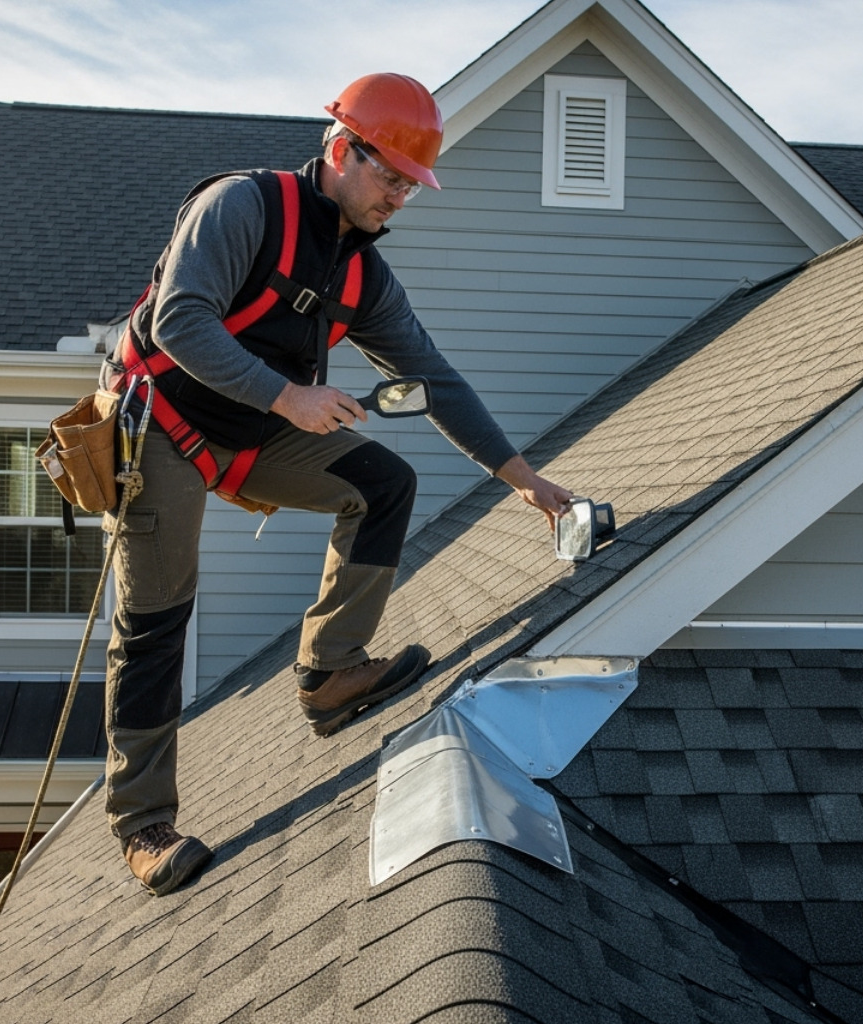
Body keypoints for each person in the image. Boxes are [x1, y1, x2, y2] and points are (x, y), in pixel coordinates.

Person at [101, 72, 572, 896]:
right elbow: (180, 321)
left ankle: (330, 674)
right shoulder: (244, 207)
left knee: (381, 481)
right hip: (160, 424)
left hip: (251, 434)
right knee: (157, 615)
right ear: (340, 149)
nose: (399, 196)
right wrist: (289, 395)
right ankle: (143, 823)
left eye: (409, 184)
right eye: (388, 174)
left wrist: (522, 478)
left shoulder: (364, 277)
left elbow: (436, 379)